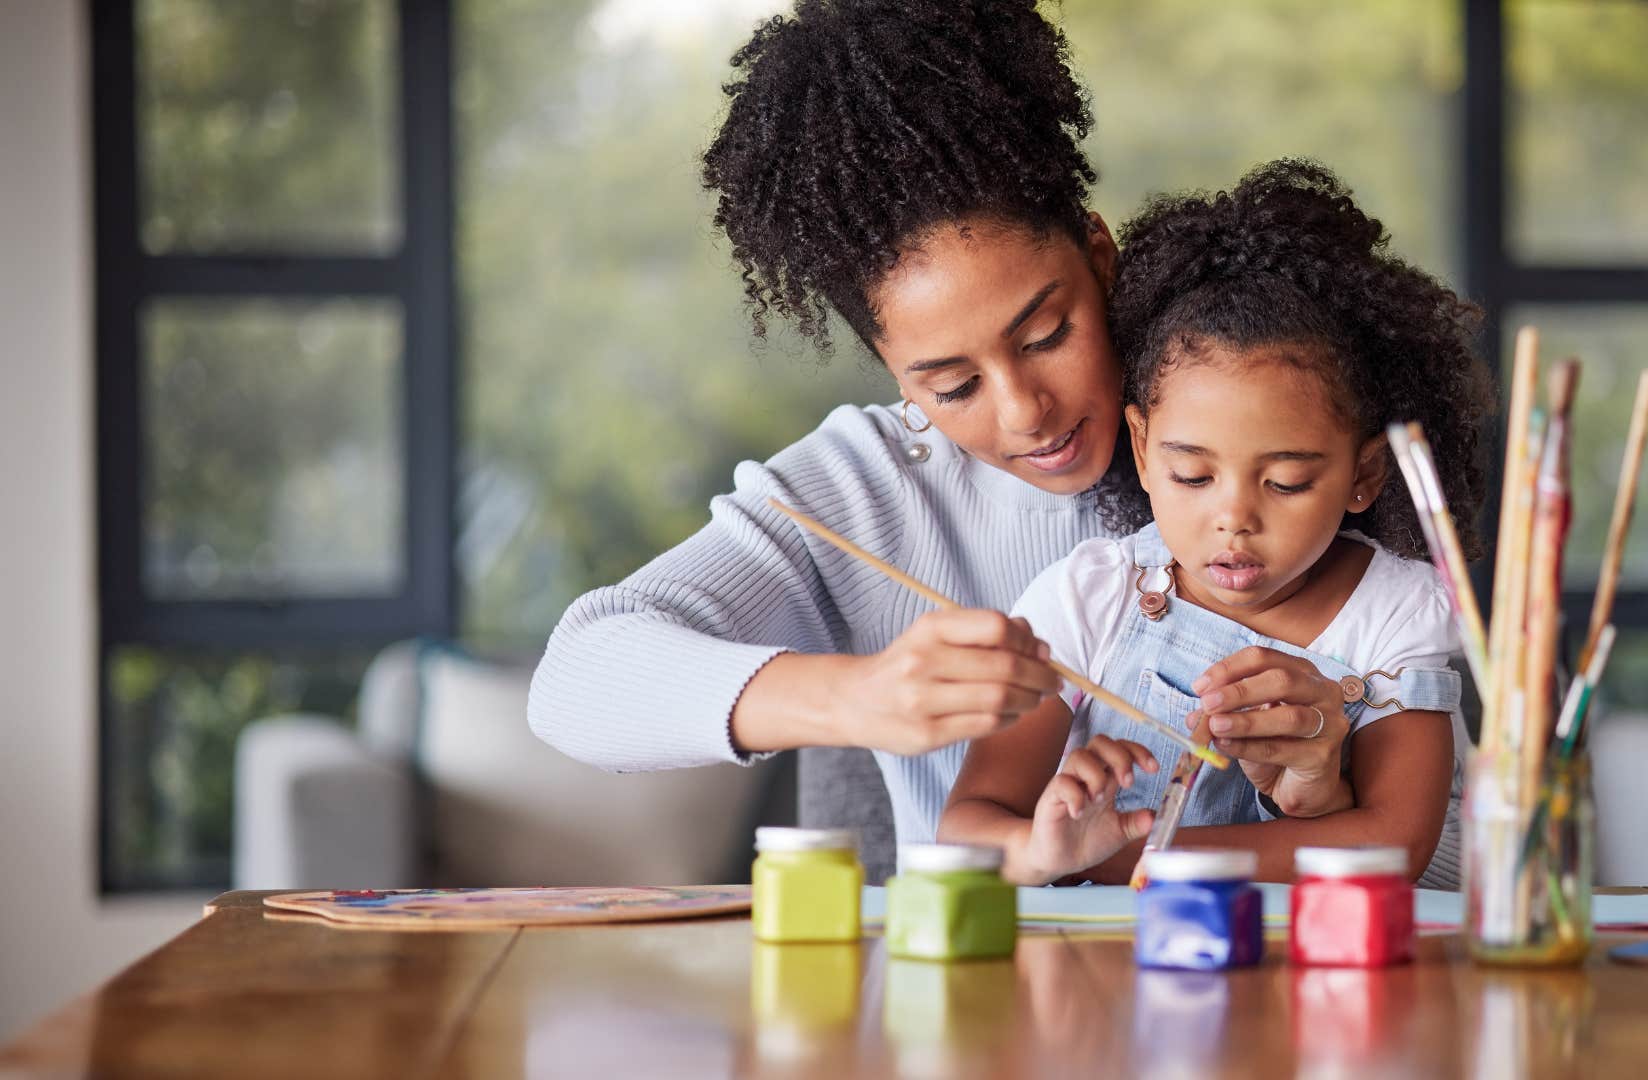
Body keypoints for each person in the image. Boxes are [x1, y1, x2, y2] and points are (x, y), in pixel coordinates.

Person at [527, 1, 1350, 852]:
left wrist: (1329, 774)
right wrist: (854, 698)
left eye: (1047, 336)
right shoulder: (866, 489)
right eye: (952, 385)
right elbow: (574, 682)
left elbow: (1426, 852)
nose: (1025, 410)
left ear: (1099, 256)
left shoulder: (1260, 421)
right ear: (895, 374)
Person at [940, 160, 1494, 887]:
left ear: (1364, 475)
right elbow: (969, 828)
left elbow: (1393, 844)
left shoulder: (1394, 611)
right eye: (1193, 477)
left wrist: (1118, 856)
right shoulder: (1090, 599)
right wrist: (1046, 850)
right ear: (1143, 451)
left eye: (1287, 482)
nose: (1233, 518)